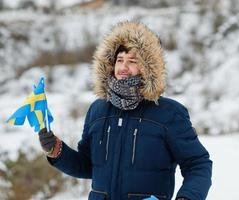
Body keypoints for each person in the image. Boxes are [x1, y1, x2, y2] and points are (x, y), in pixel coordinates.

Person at [39, 21, 212, 200]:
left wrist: (188, 197)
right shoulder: (98, 110)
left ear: (148, 67)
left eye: (132, 61)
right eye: (119, 60)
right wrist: (57, 151)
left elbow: (198, 164)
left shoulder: (169, 113)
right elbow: (87, 166)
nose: (123, 67)